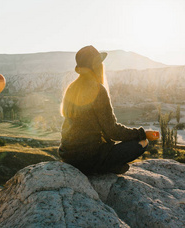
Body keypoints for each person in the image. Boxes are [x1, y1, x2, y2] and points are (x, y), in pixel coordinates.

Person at [59, 45, 148, 175]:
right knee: (142, 143)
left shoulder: (71, 88)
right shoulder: (97, 89)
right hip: (90, 159)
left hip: (69, 158)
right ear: (97, 65)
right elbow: (112, 131)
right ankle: (105, 168)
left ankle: (109, 166)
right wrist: (139, 133)